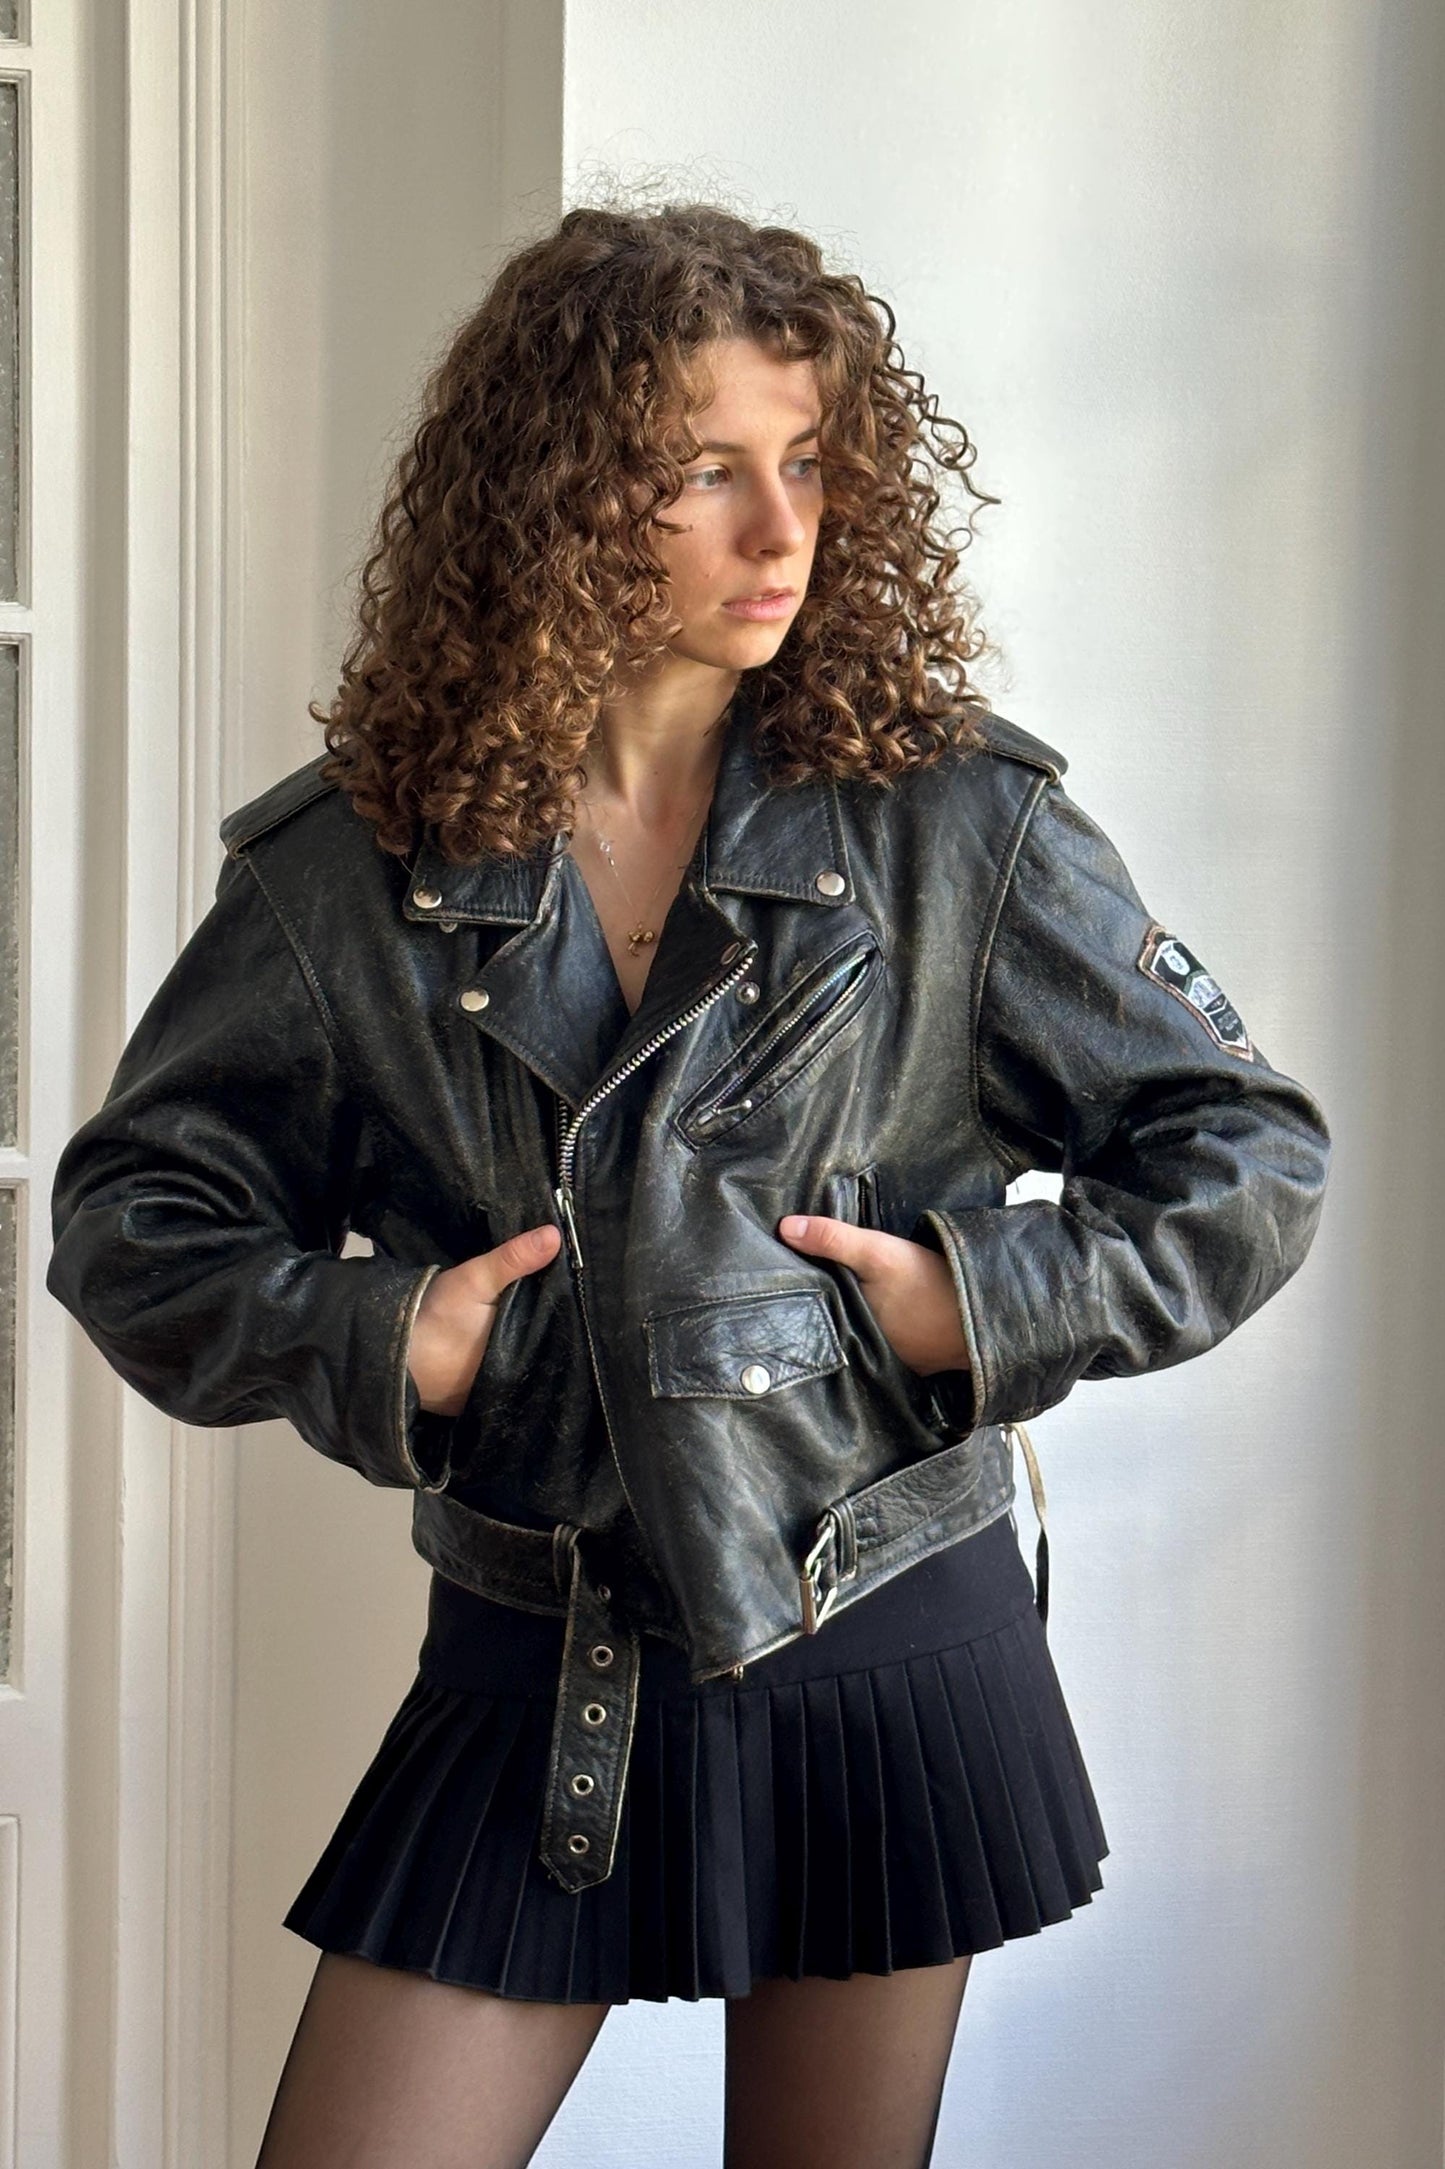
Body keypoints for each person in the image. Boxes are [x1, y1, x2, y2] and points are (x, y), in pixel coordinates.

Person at [46, 201, 1332, 2169]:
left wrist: (976, 1300)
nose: (777, 528)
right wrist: (400, 1334)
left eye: (806, 462)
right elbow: (134, 1214)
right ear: (564, 493)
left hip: (885, 1617)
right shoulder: (350, 874)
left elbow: (1245, 1152)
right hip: (538, 1654)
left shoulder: (957, 824)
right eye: (705, 470)